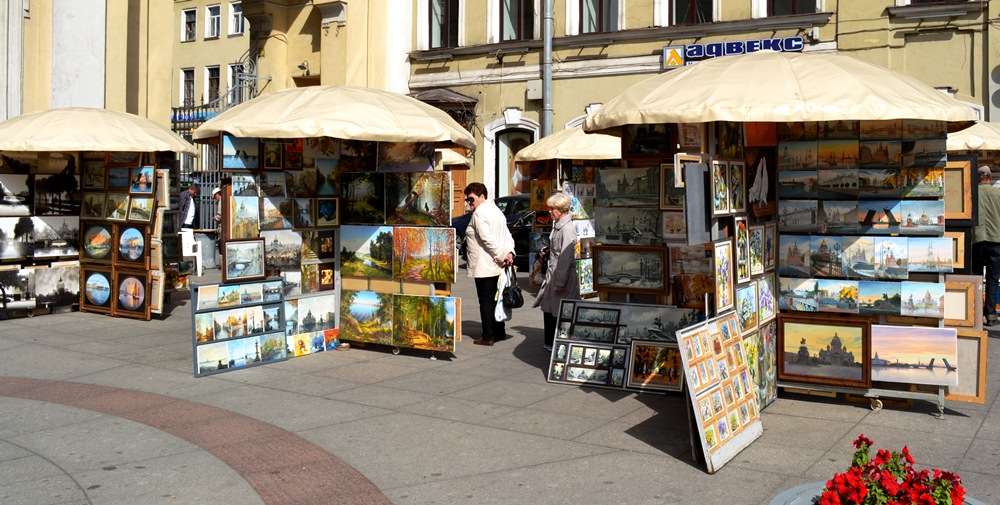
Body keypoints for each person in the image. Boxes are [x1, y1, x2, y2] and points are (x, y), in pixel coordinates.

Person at [463, 182, 516, 346]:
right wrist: (509, 252)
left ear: (482, 197)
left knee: (486, 301)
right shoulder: (496, 211)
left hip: (485, 264)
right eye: (467, 200)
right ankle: (499, 331)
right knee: (495, 299)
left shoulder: (480, 214)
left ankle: (488, 335)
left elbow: (488, 240)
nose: (469, 203)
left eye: (471, 199)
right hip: (496, 264)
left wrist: (502, 255)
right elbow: (507, 235)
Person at [532, 193, 580, 351]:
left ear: (562, 210)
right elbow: (558, 250)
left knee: (559, 310)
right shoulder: (559, 225)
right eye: (550, 208)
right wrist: (549, 249)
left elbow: (565, 258)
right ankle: (551, 342)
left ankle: (558, 343)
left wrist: (560, 282)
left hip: (561, 276)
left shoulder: (566, 229)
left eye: (553, 209)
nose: (550, 212)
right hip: (554, 274)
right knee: (550, 309)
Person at [973, 165, 1000, 327]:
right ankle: (990, 315)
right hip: (996, 240)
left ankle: (975, 313)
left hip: (976, 240)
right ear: (990, 177)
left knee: (976, 278)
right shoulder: (998, 193)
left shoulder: (972, 194)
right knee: (992, 278)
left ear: (978, 178)